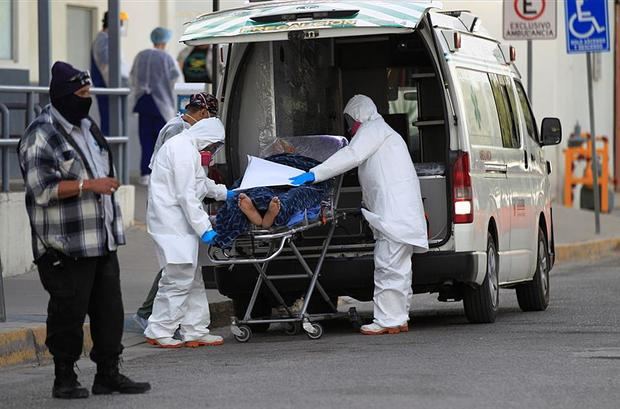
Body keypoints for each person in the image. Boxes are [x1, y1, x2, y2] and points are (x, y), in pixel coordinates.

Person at [17, 61, 150, 399]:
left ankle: (108, 374)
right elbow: (41, 189)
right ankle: (64, 378)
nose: (87, 98)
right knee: (68, 315)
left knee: (110, 313)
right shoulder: (40, 134)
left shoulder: (89, 127)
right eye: (81, 93)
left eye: (89, 91)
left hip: (102, 238)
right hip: (65, 245)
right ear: (63, 95)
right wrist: (90, 185)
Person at [290, 94, 428, 335]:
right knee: (399, 268)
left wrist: (315, 173)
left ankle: (388, 320)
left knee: (388, 266)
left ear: (359, 114)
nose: (350, 125)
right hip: (401, 215)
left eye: (350, 119)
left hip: (394, 216)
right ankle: (398, 317)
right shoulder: (386, 133)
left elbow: (352, 155)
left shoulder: (373, 129)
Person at [133, 92, 219, 329]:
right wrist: (203, 226)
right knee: (177, 269)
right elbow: (183, 187)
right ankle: (152, 318)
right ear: (203, 113)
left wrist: (221, 193)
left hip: (178, 205)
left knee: (185, 270)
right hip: (171, 208)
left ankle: (190, 327)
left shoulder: (181, 129)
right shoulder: (179, 134)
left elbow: (195, 180)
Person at [145, 118, 230, 348]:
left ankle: (195, 329)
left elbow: (201, 184)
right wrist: (205, 229)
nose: (211, 151)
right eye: (212, 146)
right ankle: (159, 329)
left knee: (192, 278)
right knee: (178, 277)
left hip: (180, 224)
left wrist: (226, 193)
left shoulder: (189, 148)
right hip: (172, 223)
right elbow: (187, 196)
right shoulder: (181, 149)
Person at [129, 27, 180, 186]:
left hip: (143, 102)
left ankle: (145, 173)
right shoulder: (167, 58)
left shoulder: (141, 56)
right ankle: (159, 174)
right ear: (165, 41)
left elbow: (133, 76)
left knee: (145, 140)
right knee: (162, 141)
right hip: (162, 105)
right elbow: (176, 80)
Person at [90, 10, 129, 135]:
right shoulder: (103, 40)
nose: (122, 27)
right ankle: (111, 153)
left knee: (115, 125)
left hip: (112, 88)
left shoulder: (108, 40)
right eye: (121, 24)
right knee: (110, 125)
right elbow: (108, 66)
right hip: (107, 89)